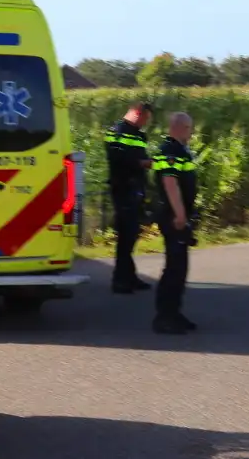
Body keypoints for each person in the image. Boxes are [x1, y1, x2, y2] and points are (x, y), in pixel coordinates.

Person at [151, 112, 199, 335]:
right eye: (189, 128)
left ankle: (175, 313)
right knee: (174, 267)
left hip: (178, 215)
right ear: (181, 128)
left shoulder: (179, 150)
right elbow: (170, 183)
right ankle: (164, 317)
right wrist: (179, 214)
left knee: (179, 268)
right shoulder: (170, 151)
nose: (191, 133)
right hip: (172, 216)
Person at [105, 101, 154, 294]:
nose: (145, 123)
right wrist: (141, 163)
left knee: (132, 234)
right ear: (136, 113)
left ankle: (129, 276)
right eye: (144, 118)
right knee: (126, 234)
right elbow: (116, 158)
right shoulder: (116, 131)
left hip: (136, 189)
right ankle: (120, 280)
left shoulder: (139, 135)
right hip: (123, 189)